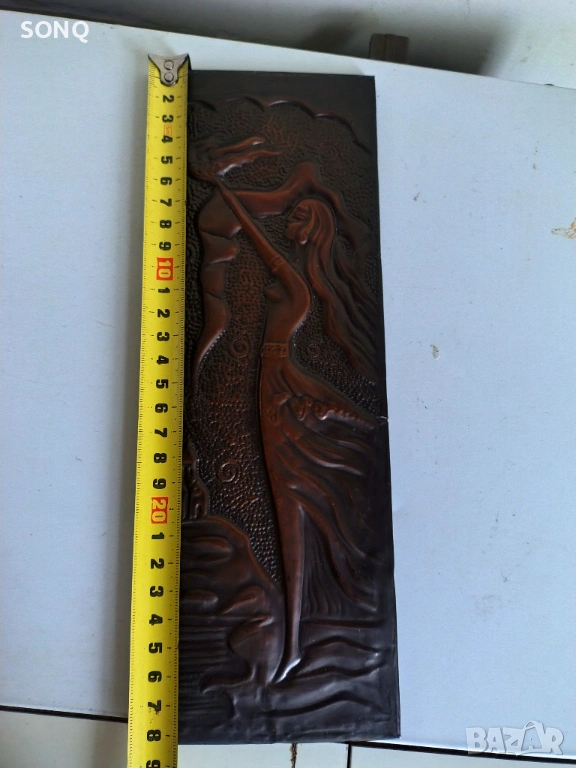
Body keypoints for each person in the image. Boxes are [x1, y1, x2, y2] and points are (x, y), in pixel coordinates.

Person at [192, 138, 386, 682]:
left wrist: (223, 188)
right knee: (289, 508)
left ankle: (298, 641)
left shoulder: (296, 284)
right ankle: (298, 640)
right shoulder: (300, 283)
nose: (290, 222)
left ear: (316, 228)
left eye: (300, 217)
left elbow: (255, 236)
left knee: (290, 508)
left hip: (277, 385)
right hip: (276, 381)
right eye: (293, 213)